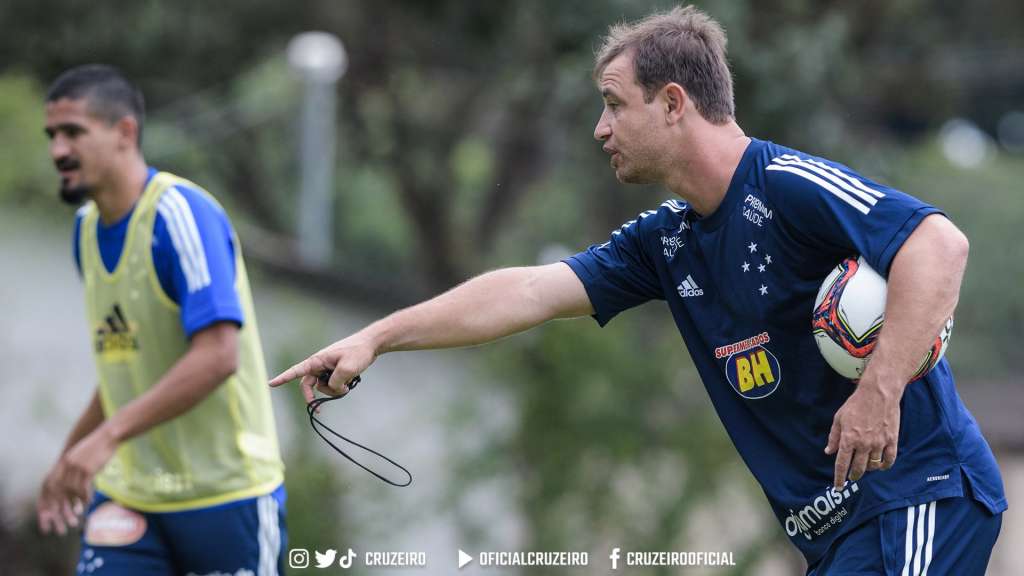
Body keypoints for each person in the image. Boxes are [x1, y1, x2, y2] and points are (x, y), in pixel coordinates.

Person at [270, 6, 1006, 574]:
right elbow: (526, 291)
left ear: (674, 103)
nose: (600, 128)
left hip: (919, 495)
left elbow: (939, 245)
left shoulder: (786, 186)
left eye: (614, 104)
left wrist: (879, 392)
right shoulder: (664, 240)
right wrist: (377, 337)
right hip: (842, 534)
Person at [37, 64, 287, 575]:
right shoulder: (86, 231)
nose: (58, 151)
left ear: (124, 132)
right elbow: (124, 371)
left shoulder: (180, 214)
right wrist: (69, 458)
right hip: (131, 498)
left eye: (73, 133)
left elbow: (218, 356)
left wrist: (106, 438)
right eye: (52, 136)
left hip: (226, 496)